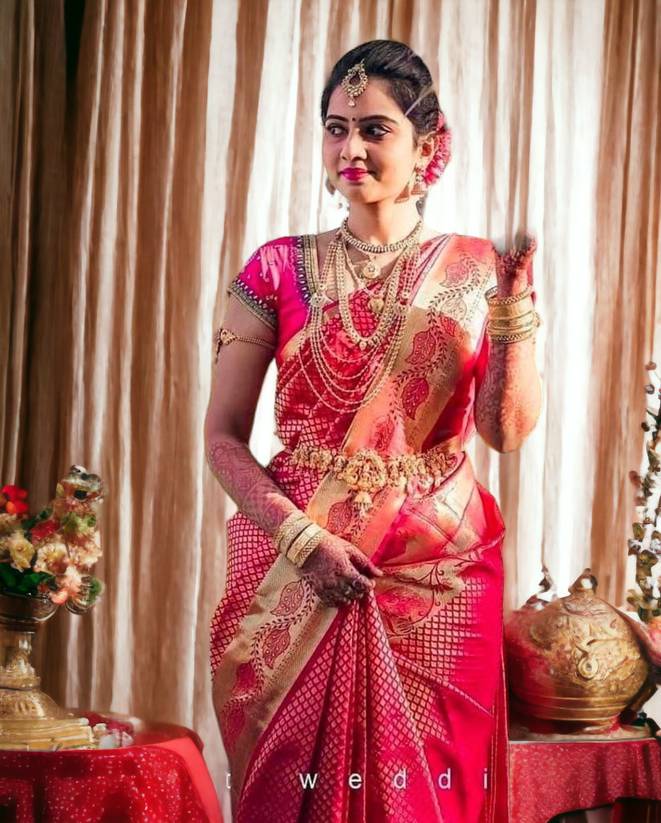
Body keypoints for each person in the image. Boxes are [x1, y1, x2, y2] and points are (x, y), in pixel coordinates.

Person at [205, 39, 542, 823]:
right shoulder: (276, 268)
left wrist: (511, 306)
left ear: (427, 146)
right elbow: (221, 438)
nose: (349, 148)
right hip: (295, 561)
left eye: (374, 129)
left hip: (438, 573)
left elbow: (504, 431)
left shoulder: (476, 268)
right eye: (335, 128)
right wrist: (304, 543)